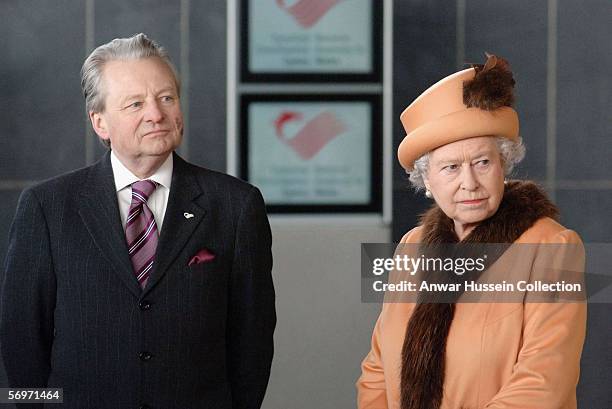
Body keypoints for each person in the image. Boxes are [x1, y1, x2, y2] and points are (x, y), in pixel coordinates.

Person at [1, 33, 275, 409]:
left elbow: (253, 339)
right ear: (100, 123)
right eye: (135, 104)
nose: (156, 114)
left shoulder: (236, 206)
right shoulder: (47, 208)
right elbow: (20, 340)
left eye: (166, 98)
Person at [357, 54, 586, 409]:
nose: (470, 183)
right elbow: (376, 369)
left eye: (483, 162)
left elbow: (544, 382)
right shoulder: (411, 247)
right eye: (450, 168)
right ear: (427, 181)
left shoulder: (552, 246)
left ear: (503, 166)